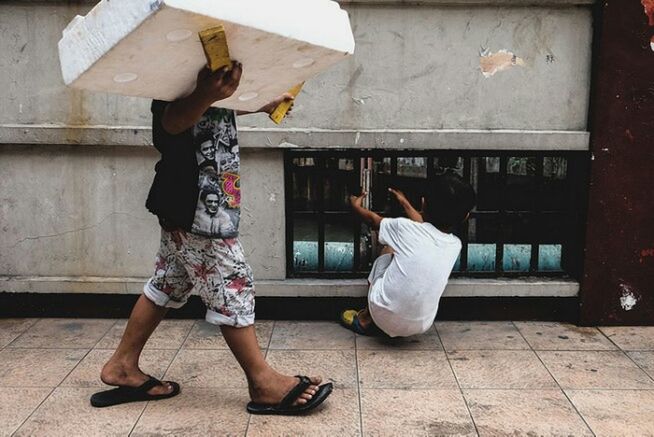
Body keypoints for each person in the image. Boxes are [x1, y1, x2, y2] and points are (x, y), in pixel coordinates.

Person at [91, 62, 332, 415]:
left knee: (168, 282)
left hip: (188, 202)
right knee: (232, 283)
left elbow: (209, 112)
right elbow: (171, 122)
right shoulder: (174, 65)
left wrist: (259, 103)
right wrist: (207, 92)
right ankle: (262, 382)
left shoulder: (196, 68)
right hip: (198, 209)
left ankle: (122, 365)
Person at [341, 172, 476, 337]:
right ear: (465, 217)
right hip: (421, 324)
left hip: (381, 315)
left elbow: (373, 221)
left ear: (423, 202)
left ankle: (364, 319)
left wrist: (356, 207)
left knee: (387, 252)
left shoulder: (404, 228)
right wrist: (405, 204)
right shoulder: (456, 245)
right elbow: (428, 229)